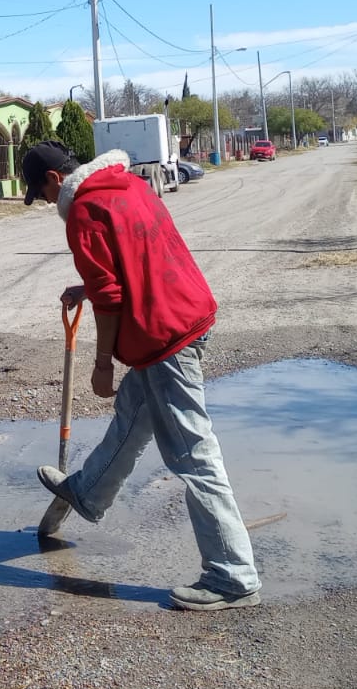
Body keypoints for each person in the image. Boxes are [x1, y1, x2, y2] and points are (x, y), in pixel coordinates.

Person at [20, 140, 261, 612]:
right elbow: (133, 260)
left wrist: (102, 362)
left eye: (41, 194)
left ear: (53, 180)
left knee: (194, 455)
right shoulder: (128, 184)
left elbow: (112, 299)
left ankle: (233, 575)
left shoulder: (84, 211)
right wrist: (86, 286)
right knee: (133, 413)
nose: (47, 203)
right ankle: (88, 492)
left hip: (164, 338)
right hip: (186, 315)